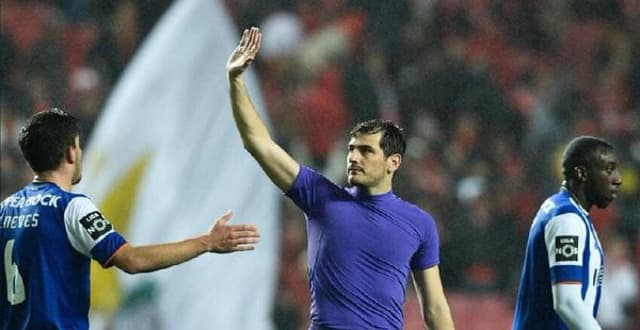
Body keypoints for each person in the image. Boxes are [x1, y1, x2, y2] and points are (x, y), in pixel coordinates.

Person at [226, 27, 454, 329]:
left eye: (366, 151)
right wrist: (236, 81)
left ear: (392, 162)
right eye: (351, 150)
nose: (354, 157)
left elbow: (435, 309)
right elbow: (260, 144)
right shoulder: (322, 198)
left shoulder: (419, 224)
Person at [0, 108, 261, 329]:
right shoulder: (72, 208)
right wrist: (206, 242)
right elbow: (132, 260)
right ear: (71, 153)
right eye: (79, 146)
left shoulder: (5, 210)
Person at [512, 136, 623, 329]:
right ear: (581, 173)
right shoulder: (566, 218)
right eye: (609, 169)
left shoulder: (562, 209)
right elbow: (567, 303)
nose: (618, 179)